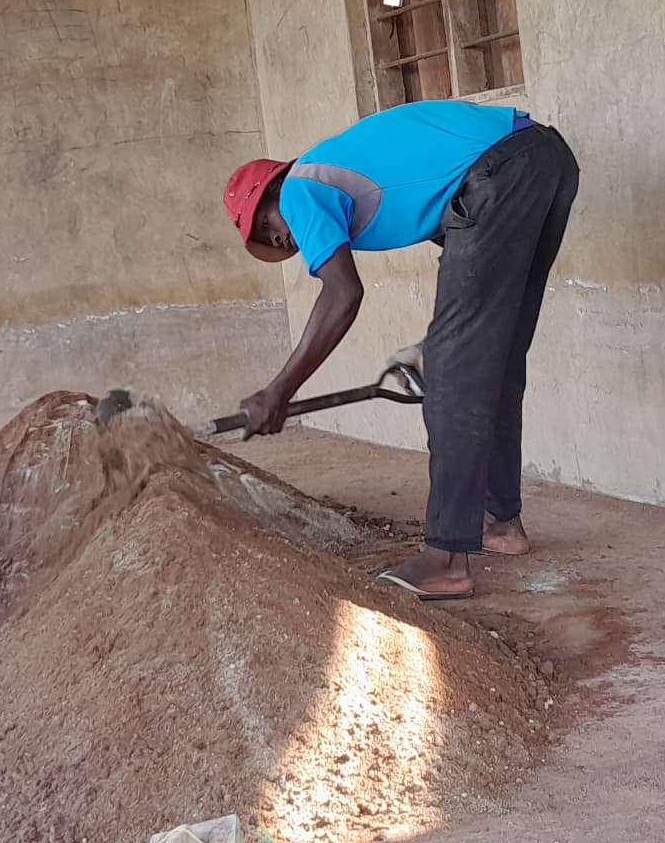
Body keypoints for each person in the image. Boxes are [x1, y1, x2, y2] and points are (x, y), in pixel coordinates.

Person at [222, 100, 578, 601]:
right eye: (265, 238)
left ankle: (446, 560)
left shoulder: (301, 187)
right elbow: (474, 264)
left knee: (454, 377)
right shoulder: (365, 183)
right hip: (544, 160)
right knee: (493, 360)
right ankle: (502, 524)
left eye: (264, 223)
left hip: (504, 164)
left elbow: (343, 294)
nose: (277, 237)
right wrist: (438, 344)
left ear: (274, 188)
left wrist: (278, 391)